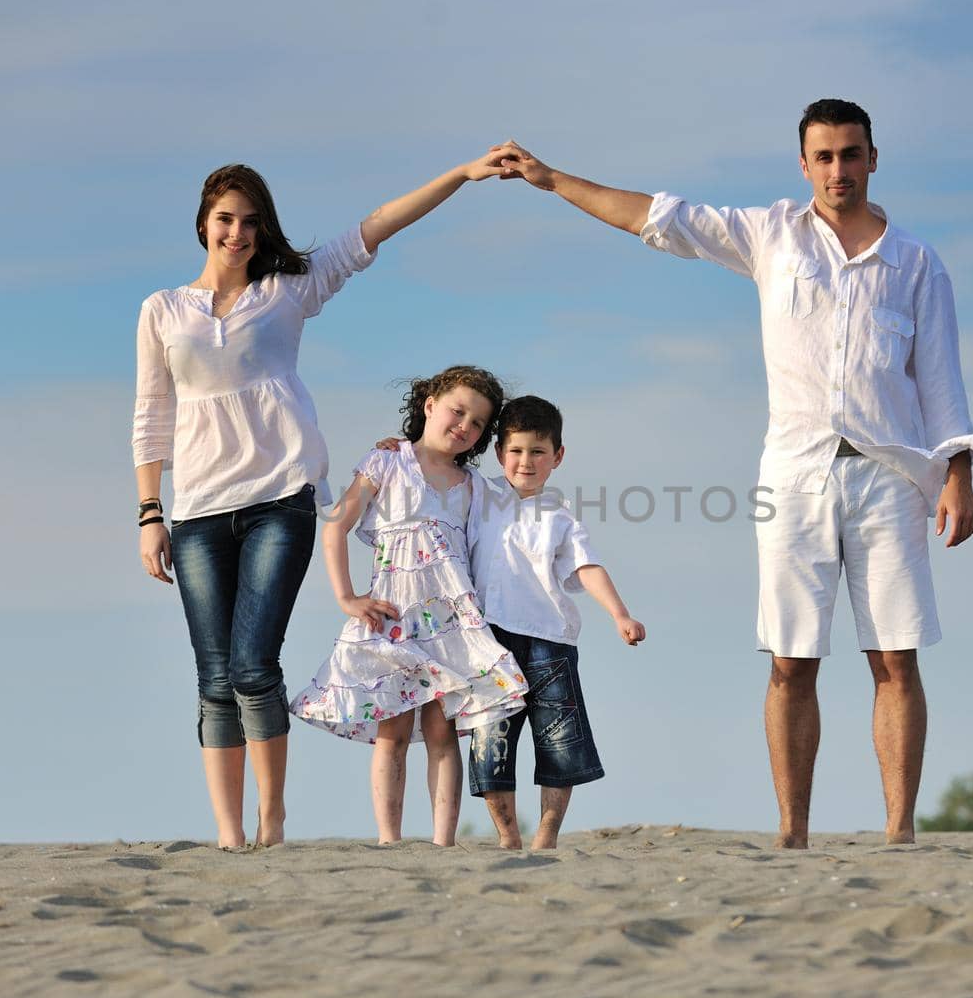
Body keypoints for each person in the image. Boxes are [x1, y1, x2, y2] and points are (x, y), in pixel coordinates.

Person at [491, 98, 973, 846]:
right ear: (804, 165)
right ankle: (792, 831)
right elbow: (658, 219)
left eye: (851, 154)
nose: (838, 169)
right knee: (792, 660)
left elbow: (941, 380)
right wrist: (553, 179)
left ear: (873, 158)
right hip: (794, 474)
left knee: (895, 655)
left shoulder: (914, 261)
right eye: (823, 156)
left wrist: (959, 475)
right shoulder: (771, 235)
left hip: (889, 479)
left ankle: (899, 831)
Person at [133, 155, 507, 850]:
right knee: (213, 676)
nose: (237, 234)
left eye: (250, 222)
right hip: (195, 510)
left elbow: (375, 229)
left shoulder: (288, 290)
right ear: (204, 225)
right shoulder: (162, 311)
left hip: (282, 499)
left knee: (252, 663)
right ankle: (228, 834)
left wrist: (458, 174)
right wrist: (150, 511)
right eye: (224, 220)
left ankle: (271, 819)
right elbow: (150, 415)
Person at [288, 365, 528, 846]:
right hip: (393, 622)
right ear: (429, 405)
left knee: (443, 736)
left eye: (478, 423)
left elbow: (512, 519)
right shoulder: (387, 462)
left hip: (450, 625)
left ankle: (444, 842)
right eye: (457, 411)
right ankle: (389, 841)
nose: (464, 425)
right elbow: (334, 526)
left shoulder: (475, 486)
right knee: (392, 735)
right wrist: (346, 597)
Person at [465, 395, 645, 850]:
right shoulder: (476, 493)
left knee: (558, 741)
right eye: (516, 451)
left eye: (538, 452)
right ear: (499, 452)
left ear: (557, 456)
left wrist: (619, 614)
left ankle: (545, 836)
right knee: (492, 741)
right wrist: (402, 447)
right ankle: (508, 837)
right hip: (490, 641)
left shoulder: (560, 517)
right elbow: (432, 468)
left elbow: (587, 567)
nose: (526, 461)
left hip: (550, 640)